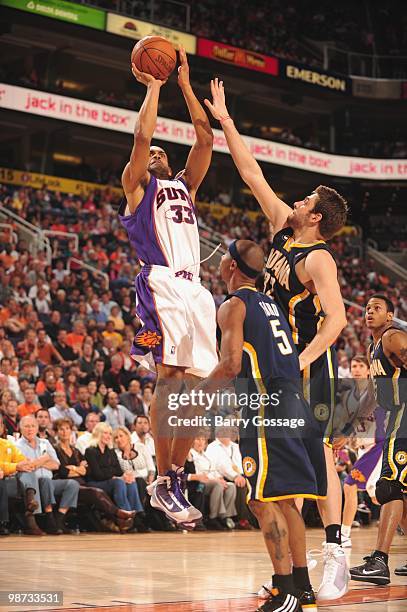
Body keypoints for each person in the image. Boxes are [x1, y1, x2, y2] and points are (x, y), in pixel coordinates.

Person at [205, 79, 349, 601]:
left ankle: (335, 547)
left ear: (317, 217)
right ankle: (298, 581)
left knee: (316, 462)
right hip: (279, 361)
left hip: (307, 363)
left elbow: (336, 320)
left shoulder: (319, 258)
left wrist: (305, 361)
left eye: (307, 199)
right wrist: (225, 121)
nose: (299, 200)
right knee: (279, 486)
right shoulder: (283, 232)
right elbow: (251, 172)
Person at [193, 239, 327, 612]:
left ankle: (285, 593)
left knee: (260, 499)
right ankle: (301, 589)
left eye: (223, 256)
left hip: (268, 407)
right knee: (285, 500)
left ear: (231, 267)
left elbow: (231, 364)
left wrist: (195, 396)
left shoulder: (233, 305)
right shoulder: (271, 303)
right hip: (295, 403)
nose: (219, 261)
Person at [119, 47, 217, 527]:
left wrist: (183, 83)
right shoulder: (136, 187)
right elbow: (141, 134)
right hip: (160, 282)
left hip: (197, 290)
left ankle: (175, 476)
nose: (156, 152)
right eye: (152, 153)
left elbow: (205, 138)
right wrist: (154, 87)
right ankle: (160, 478)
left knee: (198, 391)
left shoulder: (185, 187)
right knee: (171, 378)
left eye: (162, 151)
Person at [350, 295, 407, 584]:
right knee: (398, 490)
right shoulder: (374, 348)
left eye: (377, 308)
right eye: (368, 308)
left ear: (389, 316)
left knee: (388, 487)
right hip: (396, 417)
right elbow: (373, 395)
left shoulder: (393, 338)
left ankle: (380, 562)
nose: (370, 312)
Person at [334, 355, 385, 547]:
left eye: (360, 365)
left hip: (378, 444)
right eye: (353, 365)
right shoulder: (350, 395)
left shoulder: (375, 390)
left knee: (349, 485)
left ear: (369, 370)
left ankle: (344, 534)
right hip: (365, 448)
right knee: (378, 496)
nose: (355, 369)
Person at [53, 418, 135, 532]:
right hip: (67, 485)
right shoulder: (55, 449)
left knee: (129, 482)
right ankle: (119, 515)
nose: (65, 432)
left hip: (82, 483)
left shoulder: (75, 450)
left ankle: (123, 519)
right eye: (61, 429)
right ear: (56, 432)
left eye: (67, 429)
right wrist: (79, 469)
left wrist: (73, 468)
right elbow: (62, 471)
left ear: (71, 431)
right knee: (96, 492)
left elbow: (87, 471)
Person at [16, 416, 80, 534]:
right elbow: (27, 466)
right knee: (45, 480)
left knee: (73, 484)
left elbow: (56, 465)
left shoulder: (45, 442)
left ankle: (59, 519)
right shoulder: (17, 446)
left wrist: (37, 462)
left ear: (37, 428)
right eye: (26, 426)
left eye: (33, 426)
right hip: (32, 484)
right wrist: (44, 459)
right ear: (20, 429)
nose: (30, 429)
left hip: (50, 481)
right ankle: (49, 518)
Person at [85, 423, 144, 516]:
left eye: (109, 434)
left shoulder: (110, 451)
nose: (108, 436)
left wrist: (124, 476)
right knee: (118, 482)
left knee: (130, 481)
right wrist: (113, 476)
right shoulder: (90, 451)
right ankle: (126, 514)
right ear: (98, 434)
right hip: (95, 482)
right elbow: (97, 474)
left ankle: (138, 513)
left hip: (109, 480)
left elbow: (118, 471)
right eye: (105, 433)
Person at [189, 435, 236, 530]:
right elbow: (198, 474)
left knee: (231, 486)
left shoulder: (206, 455)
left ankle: (224, 517)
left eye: (203, 440)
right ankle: (213, 517)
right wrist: (216, 480)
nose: (200, 442)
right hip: (199, 483)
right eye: (198, 439)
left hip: (212, 480)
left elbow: (213, 470)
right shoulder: (191, 454)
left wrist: (220, 478)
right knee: (217, 485)